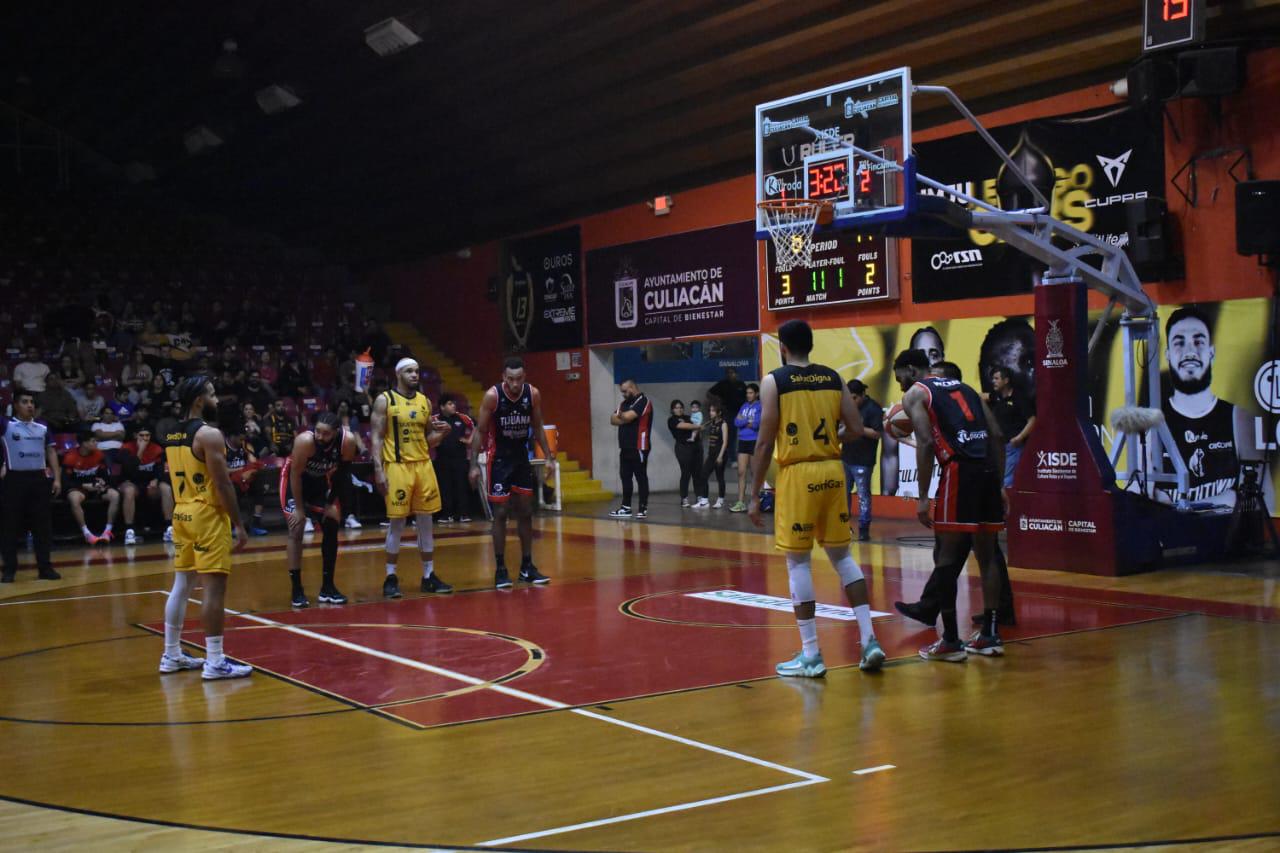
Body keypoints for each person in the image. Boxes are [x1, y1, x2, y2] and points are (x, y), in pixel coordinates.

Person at [746, 319, 884, 676]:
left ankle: (811, 653)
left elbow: (764, 441)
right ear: (811, 345)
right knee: (842, 558)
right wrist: (829, 438)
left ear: (784, 348)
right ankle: (869, 639)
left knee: (798, 562)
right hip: (833, 471)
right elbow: (856, 429)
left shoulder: (774, 380)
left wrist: (753, 491)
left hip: (798, 473)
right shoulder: (834, 378)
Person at [892, 349, 1007, 661]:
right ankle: (990, 635)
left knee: (945, 555)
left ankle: (951, 641)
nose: (900, 385)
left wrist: (923, 496)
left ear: (912, 370)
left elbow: (927, 442)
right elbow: (996, 434)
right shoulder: (966, 387)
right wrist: (999, 484)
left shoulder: (917, 393)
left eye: (899, 377)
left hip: (959, 471)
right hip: (986, 471)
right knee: (987, 554)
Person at [157, 375, 252, 679]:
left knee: (182, 585)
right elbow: (223, 485)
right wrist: (239, 524)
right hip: (206, 514)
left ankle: (171, 654)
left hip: (181, 510)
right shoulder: (209, 434)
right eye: (211, 394)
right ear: (199, 400)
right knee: (214, 588)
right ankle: (215, 661)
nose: (216, 399)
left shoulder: (171, 433)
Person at [1160, 305, 1261, 510]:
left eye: (1198, 342)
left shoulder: (1238, 418)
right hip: (1172, 537)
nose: (1190, 351)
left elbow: (1255, 499)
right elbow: (1140, 492)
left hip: (1225, 538)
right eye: (1180, 343)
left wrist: (1188, 507)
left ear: (1212, 352)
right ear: (1167, 354)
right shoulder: (1152, 422)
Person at [469, 357, 555, 588]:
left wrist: (549, 457)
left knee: (526, 511)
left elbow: (537, 426)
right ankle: (500, 569)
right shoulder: (493, 396)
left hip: (520, 458)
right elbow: (480, 430)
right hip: (498, 459)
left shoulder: (532, 394)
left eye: (519, 379)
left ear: (524, 377)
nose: (515, 384)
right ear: (503, 377)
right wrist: (473, 465)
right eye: (510, 379)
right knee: (500, 513)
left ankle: (527, 566)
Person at [371, 358, 452, 599]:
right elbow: (375, 437)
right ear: (398, 374)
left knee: (426, 522)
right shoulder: (385, 400)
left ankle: (429, 575)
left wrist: (442, 434)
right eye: (409, 371)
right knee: (397, 522)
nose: (415, 375)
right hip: (397, 467)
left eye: (417, 371)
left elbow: (427, 440)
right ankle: (390, 576)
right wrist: (378, 469)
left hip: (423, 466)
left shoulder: (425, 402)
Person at [282, 412, 360, 608]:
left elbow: (342, 475)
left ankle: (327, 587)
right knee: (296, 528)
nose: (319, 436)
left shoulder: (347, 441)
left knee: (332, 524)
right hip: (294, 481)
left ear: (335, 432)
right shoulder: (304, 441)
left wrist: (331, 503)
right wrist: (299, 510)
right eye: (317, 431)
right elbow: (296, 475)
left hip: (320, 482)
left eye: (325, 434)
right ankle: (296, 589)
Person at [1, 388, 62, 581]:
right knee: (9, 527)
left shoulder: (43, 427)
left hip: (38, 480)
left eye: (32, 402)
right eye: (25, 402)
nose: (29, 405)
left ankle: (45, 568)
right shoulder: (6, 425)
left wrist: (57, 479)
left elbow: (51, 453)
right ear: (16, 405)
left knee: (42, 528)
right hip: (14, 480)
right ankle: (9, 570)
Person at [881, 326, 946, 497]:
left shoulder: (953, 402)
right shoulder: (895, 414)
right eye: (921, 354)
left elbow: (927, 443)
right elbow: (889, 460)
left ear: (943, 358)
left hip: (943, 493)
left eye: (934, 354)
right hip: (908, 497)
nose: (929, 361)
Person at [841, 379, 883, 542]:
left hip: (863, 460)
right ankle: (843, 526)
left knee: (863, 495)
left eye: (854, 398)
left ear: (863, 395)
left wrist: (857, 427)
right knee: (843, 494)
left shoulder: (873, 409)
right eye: (849, 398)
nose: (852, 401)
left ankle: (864, 528)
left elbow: (877, 433)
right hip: (846, 456)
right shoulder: (846, 407)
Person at [119, 424, 175, 546]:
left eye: (147, 435)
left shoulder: (157, 449)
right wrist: (140, 450)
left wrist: (156, 479)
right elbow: (129, 470)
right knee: (129, 491)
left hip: (150, 484)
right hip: (131, 482)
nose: (145, 438)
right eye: (142, 435)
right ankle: (130, 531)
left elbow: (162, 469)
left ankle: (169, 528)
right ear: (135, 436)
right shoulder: (126, 448)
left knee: (166, 488)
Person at [62, 429, 121, 545]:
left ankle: (107, 531)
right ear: (84, 443)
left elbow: (106, 476)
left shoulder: (99, 455)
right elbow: (66, 482)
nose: (96, 444)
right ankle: (86, 533)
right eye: (93, 441)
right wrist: (84, 485)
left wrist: (102, 483)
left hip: (96, 488)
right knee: (74, 498)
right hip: (79, 488)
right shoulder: (70, 457)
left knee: (115, 495)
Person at [608, 379, 653, 519]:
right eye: (622, 391)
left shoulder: (644, 401)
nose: (623, 394)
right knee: (625, 476)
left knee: (640, 477)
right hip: (625, 446)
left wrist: (622, 416)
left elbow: (626, 416)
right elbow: (612, 419)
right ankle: (626, 508)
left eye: (625, 391)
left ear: (633, 387)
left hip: (639, 445)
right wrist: (624, 417)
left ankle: (642, 508)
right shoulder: (624, 403)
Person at [988, 366, 1035, 488]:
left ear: (1006, 380)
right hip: (998, 446)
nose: (994, 381)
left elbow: (1033, 420)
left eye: (997, 378)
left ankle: (1007, 506)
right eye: (993, 379)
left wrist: (1019, 438)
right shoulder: (997, 397)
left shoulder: (1019, 398)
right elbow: (981, 396)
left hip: (1012, 446)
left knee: (1007, 481)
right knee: (997, 479)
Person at [435, 396, 474, 524]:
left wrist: (469, 440)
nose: (453, 406)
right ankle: (447, 515)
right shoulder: (435, 419)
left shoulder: (462, 418)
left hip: (460, 458)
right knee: (445, 487)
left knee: (461, 486)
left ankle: (463, 514)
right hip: (442, 459)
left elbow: (476, 426)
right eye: (450, 404)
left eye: (454, 403)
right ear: (442, 406)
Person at [225, 427, 269, 536]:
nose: (242, 442)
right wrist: (242, 471)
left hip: (246, 477)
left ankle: (255, 523)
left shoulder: (245, 445)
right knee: (234, 489)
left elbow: (253, 462)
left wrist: (248, 471)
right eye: (240, 439)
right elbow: (223, 470)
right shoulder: (222, 447)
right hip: (228, 480)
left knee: (259, 484)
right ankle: (233, 526)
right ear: (231, 437)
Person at [667, 400, 705, 508]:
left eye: (681, 407)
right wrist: (697, 427)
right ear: (672, 410)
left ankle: (699, 496)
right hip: (683, 447)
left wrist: (698, 430)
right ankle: (684, 498)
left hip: (696, 446)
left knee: (697, 473)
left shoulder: (689, 417)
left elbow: (697, 425)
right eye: (676, 407)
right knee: (686, 473)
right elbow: (684, 426)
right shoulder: (671, 420)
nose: (679, 409)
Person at [731, 383, 762, 512]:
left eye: (751, 393)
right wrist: (746, 421)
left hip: (754, 441)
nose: (748, 395)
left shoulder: (760, 406)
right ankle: (740, 502)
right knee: (741, 472)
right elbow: (736, 422)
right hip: (742, 441)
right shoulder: (744, 406)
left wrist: (744, 421)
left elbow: (756, 424)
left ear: (756, 394)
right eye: (747, 393)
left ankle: (755, 502)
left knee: (754, 473)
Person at [708, 366, 747, 453]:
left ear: (736, 374)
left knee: (743, 434)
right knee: (730, 435)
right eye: (728, 373)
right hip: (728, 413)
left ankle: (741, 455)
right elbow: (709, 393)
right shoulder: (722, 384)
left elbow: (747, 397)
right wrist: (717, 402)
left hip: (740, 413)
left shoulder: (741, 384)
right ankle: (731, 457)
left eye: (732, 373)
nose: (730, 374)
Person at [700, 401, 730, 508]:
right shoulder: (711, 423)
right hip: (711, 454)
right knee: (703, 475)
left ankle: (720, 500)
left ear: (719, 412)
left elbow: (725, 442)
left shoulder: (723, 424)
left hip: (720, 454)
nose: (711, 413)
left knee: (719, 477)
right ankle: (704, 500)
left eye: (713, 411)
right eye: (710, 411)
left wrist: (720, 456)